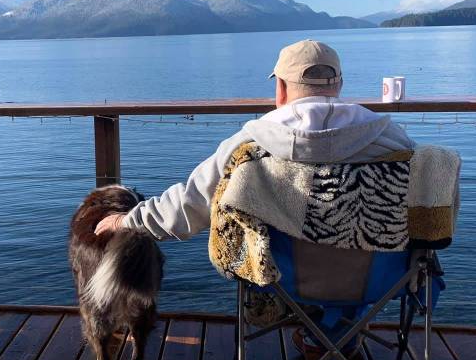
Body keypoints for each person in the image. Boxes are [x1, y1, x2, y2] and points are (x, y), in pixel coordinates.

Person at [95, 39, 415, 240]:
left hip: (280, 278)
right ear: (339, 85)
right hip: (376, 279)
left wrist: (125, 221)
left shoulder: (249, 145)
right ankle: (339, 331)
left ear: (281, 90)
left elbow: (188, 205)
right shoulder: (392, 138)